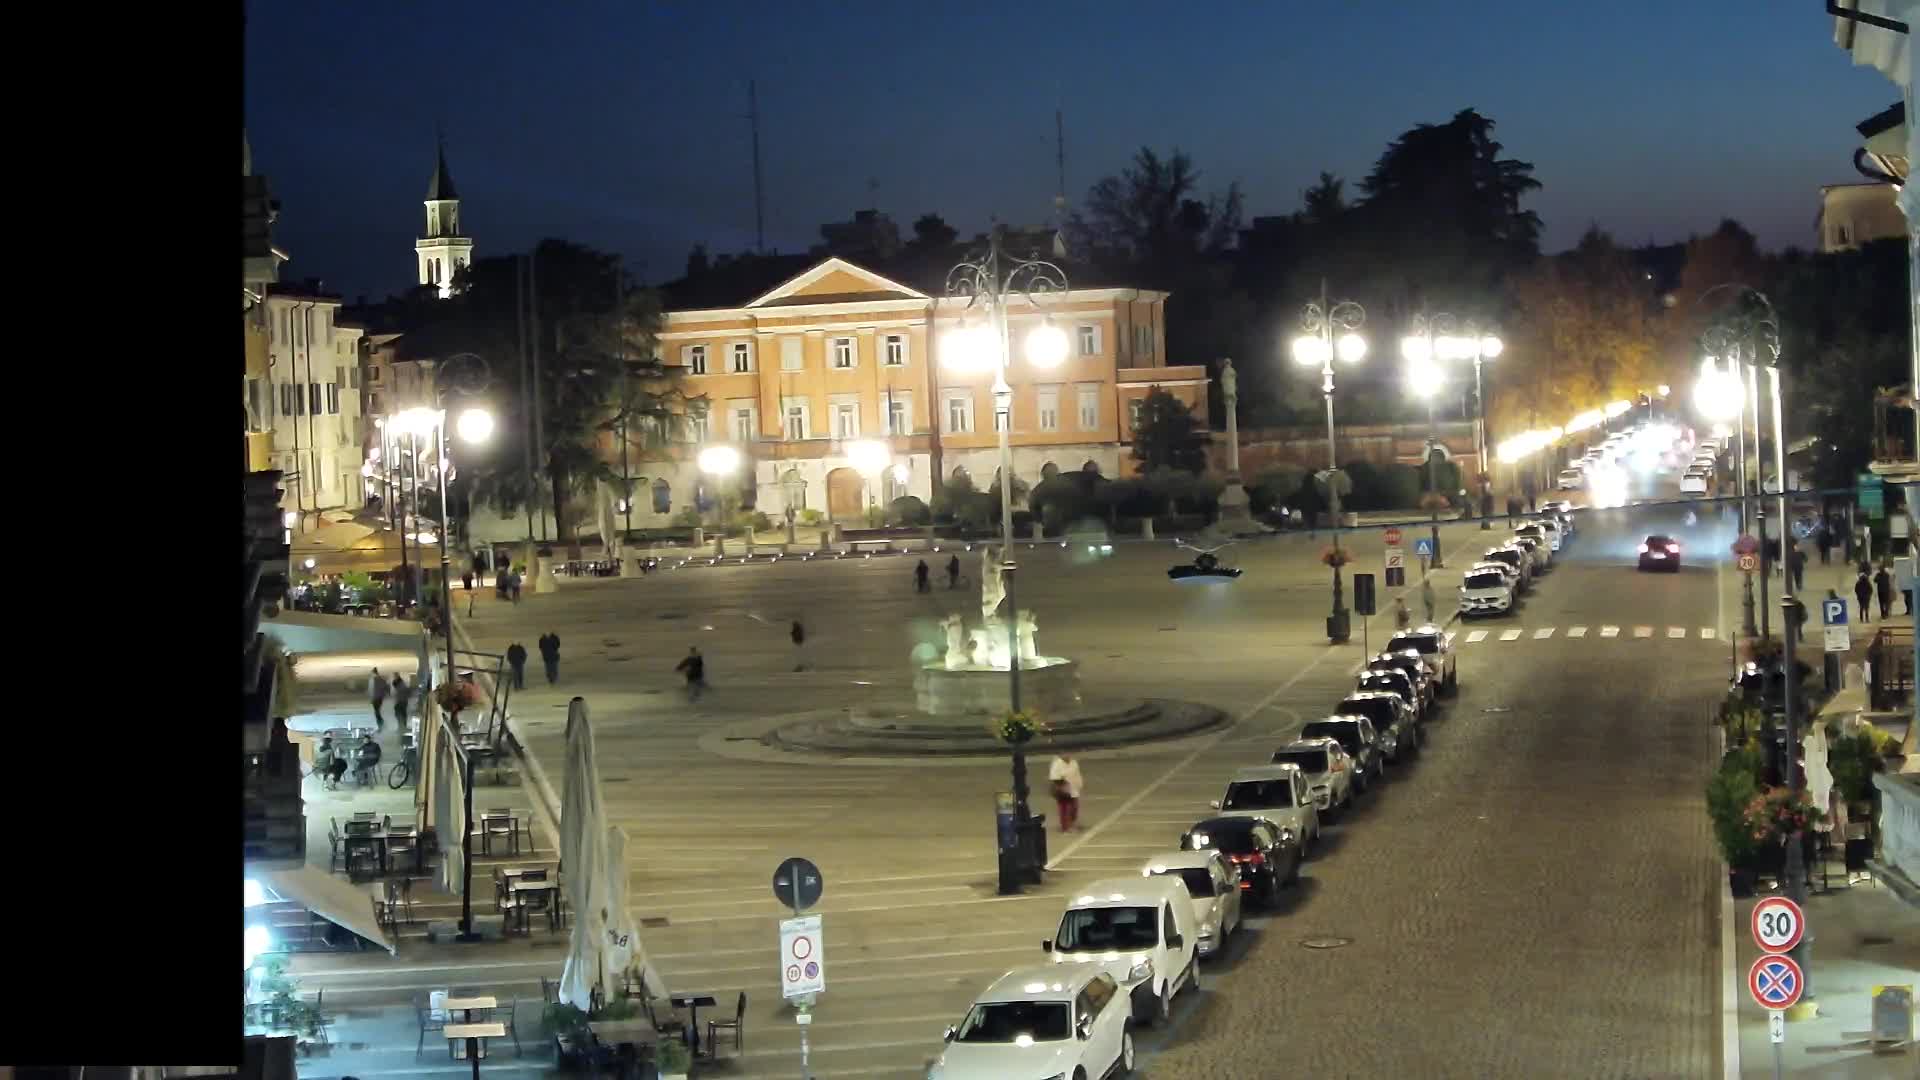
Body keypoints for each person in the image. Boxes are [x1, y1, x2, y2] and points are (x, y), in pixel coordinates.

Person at [1048, 752, 1084, 833]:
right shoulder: (1057, 764)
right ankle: (1065, 827)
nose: (1067, 755)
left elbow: (1077, 774)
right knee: (1064, 809)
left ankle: (1072, 823)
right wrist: (1062, 787)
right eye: (1064, 753)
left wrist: (1080, 784)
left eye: (1068, 753)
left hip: (1074, 789)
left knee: (1074, 808)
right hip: (1062, 789)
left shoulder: (1073, 762)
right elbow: (1054, 778)